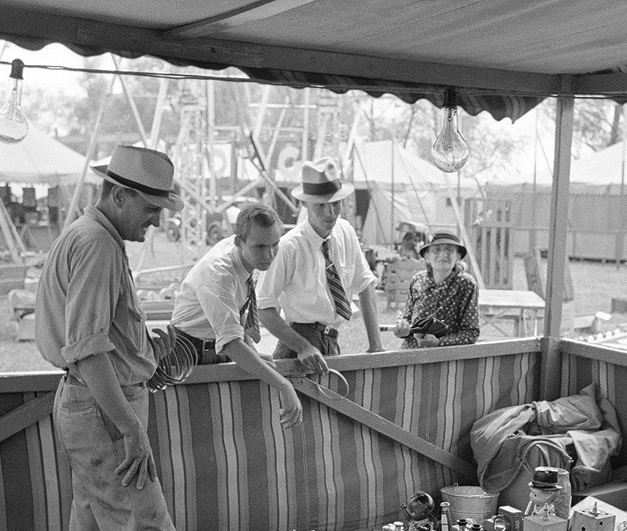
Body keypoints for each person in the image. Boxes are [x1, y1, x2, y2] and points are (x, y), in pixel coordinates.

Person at [35, 144, 220, 531]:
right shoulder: (97, 244)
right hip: (105, 409)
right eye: (151, 207)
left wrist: (142, 345)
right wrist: (130, 429)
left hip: (89, 405)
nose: (157, 219)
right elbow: (88, 349)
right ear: (118, 194)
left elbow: (96, 340)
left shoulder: (90, 235)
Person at [170, 202, 302, 428]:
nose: (269, 254)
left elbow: (237, 312)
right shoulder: (218, 272)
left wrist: (252, 351)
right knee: (192, 430)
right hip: (187, 356)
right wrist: (283, 385)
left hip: (214, 351)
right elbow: (231, 343)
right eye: (260, 247)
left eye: (275, 245)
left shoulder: (244, 256)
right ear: (238, 241)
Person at [257, 157, 383, 374]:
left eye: (335, 204)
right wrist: (303, 347)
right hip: (298, 344)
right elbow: (263, 308)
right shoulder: (289, 247)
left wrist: (376, 346)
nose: (330, 212)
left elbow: (365, 284)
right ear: (305, 204)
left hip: (331, 341)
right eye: (321, 206)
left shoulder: (345, 231)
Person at [393, 231, 480, 349]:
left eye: (449, 250)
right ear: (427, 256)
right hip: (412, 353)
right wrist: (402, 330)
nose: (443, 255)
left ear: (458, 256)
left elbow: (471, 333)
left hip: (446, 355)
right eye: (436, 250)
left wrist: (439, 342)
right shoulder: (417, 280)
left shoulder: (466, 284)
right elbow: (407, 322)